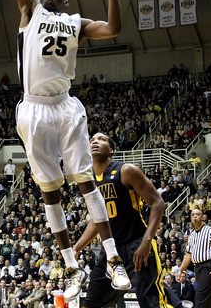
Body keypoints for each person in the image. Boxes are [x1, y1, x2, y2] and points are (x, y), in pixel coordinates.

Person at [7, 0, 129, 301]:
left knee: (86, 181)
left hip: (65, 106)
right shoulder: (30, 11)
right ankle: (71, 264)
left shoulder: (77, 23)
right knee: (50, 190)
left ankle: (112, 258)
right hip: (33, 108)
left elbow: (115, 28)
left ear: (67, 1)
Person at [73, 132, 180, 308]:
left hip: (136, 243)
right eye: (92, 140)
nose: (95, 142)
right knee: (91, 302)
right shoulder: (89, 180)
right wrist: (77, 247)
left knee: (152, 303)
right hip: (111, 249)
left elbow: (158, 203)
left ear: (112, 150)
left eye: (101, 139)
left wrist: (146, 241)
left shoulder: (126, 170)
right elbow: (97, 219)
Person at [176, 208, 211, 307]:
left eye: (197, 214)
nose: (195, 216)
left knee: (200, 296)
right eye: (193, 214)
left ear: (202, 217)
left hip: (209, 266)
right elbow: (188, 255)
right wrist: (180, 270)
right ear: (190, 218)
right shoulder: (192, 235)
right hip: (198, 267)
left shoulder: (210, 231)